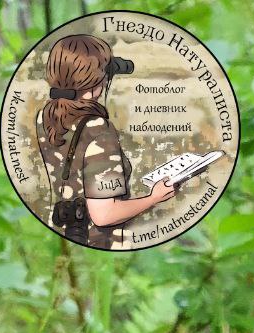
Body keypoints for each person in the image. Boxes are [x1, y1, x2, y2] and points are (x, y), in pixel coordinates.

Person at [36, 34, 175, 249]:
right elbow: (104, 215)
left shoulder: (46, 116)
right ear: (98, 81)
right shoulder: (98, 130)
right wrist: (153, 198)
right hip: (100, 242)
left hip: (63, 236)